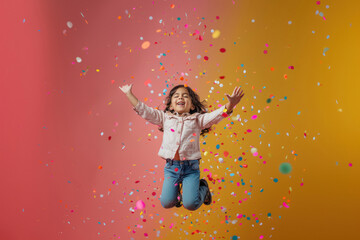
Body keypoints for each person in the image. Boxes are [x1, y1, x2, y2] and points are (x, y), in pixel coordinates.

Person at [119, 83, 244, 211]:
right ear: (171, 105)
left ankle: (204, 188)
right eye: (176, 96)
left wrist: (230, 105)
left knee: (190, 204)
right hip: (171, 169)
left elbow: (215, 116)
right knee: (167, 203)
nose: (181, 98)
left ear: (192, 105)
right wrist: (129, 94)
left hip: (191, 169)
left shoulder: (197, 120)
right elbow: (144, 110)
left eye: (185, 96)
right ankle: (176, 195)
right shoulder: (164, 118)